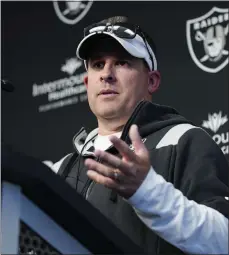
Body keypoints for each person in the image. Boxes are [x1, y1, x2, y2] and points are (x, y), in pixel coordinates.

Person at [52, 16, 229, 254]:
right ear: (86, 83)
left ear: (152, 81)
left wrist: (148, 192)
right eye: (97, 64)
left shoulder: (184, 140)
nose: (107, 74)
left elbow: (224, 240)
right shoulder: (63, 168)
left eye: (122, 62)